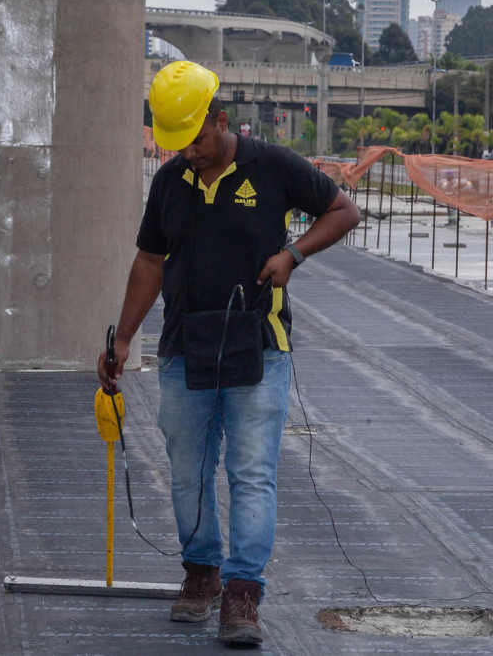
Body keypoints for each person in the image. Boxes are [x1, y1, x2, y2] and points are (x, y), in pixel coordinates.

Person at [97, 61, 360, 646]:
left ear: (221, 119)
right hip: (184, 348)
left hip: (257, 349)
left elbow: (344, 210)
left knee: (251, 474)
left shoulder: (273, 168)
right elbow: (148, 262)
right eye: (178, 143)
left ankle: (243, 591)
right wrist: (122, 338)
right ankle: (201, 572)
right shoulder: (169, 183)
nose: (187, 151)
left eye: (195, 138)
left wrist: (294, 254)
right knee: (188, 471)